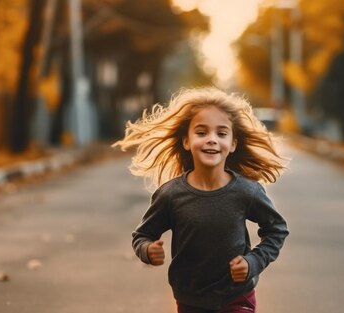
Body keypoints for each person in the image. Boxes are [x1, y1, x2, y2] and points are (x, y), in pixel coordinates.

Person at [112, 87, 289, 312]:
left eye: (221, 133)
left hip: (236, 297)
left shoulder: (247, 191)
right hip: (190, 301)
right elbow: (142, 235)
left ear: (233, 144)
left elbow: (276, 229)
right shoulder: (172, 195)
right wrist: (147, 250)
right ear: (186, 141)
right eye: (202, 132)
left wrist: (253, 262)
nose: (212, 140)